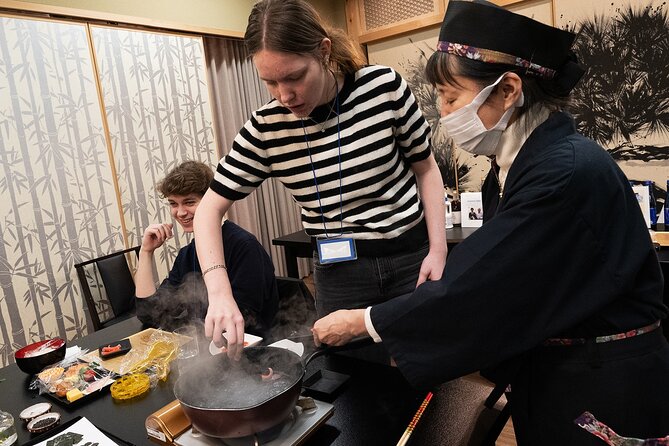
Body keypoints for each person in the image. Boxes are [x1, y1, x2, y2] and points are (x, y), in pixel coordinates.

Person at [311, 1, 669, 443]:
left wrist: (367, 321)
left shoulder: (562, 172)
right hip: (564, 367)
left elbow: (486, 285)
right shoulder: (525, 163)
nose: (443, 114)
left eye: (451, 97)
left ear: (508, 89)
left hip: (601, 379)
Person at [193, 0, 447, 354]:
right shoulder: (266, 128)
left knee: (427, 363)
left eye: (295, 77)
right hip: (340, 275)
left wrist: (438, 249)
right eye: (270, 82)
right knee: (353, 380)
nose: (284, 95)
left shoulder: (382, 88)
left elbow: (427, 169)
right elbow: (207, 211)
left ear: (324, 52)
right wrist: (220, 292)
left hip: (411, 258)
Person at [134, 160, 278, 336]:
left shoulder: (244, 246)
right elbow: (149, 314)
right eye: (173, 204)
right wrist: (146, 252)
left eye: (189, 202)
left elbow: (244, 322)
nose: (180, 212)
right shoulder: (186, 255)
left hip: (253, 349)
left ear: (211, 202)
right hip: (209, 348)